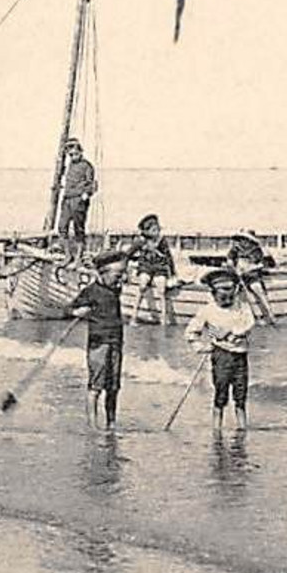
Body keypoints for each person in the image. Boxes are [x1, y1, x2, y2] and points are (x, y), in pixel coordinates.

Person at [185, 267, 256, 433]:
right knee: (221, 392)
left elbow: (250, 323)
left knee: (240, 394)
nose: (227, 296)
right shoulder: (208, 310)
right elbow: (191, 331)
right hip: (221, 355)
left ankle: (242, 427)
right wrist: (201, 347)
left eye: (230, 291)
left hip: (240, 355)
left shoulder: (242, 307)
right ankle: (216, 429)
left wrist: (233, 332)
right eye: (222, 293)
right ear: (213, 292)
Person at [68, 250, 128, 431]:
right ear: (103, 273)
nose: (120, 280)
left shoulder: (115, 289)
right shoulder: (91, 292)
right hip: (98, 344)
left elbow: (125, 261)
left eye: (121, 276)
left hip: (116, 342)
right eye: (117, 276)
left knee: (113, 387)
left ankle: (111, 424)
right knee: (96, 386)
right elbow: (69, 308)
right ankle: (93, 425)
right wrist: (78, 311)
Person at [125, 213, 177, 324]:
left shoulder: (162, 240)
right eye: (153, 230)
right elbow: (128, 253)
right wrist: (124, 267)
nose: (156, 232)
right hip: (146, 266)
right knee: (142, 285)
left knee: (161, 289)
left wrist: (172, 273)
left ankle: (163, 319)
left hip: (159, 267)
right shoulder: (141, 241)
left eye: (157, 229)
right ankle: (133, 316)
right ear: (147, 231)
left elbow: (168, 257)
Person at [56, 138, 97, 264]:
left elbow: (92, 184)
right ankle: (68, 255)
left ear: (80, 152)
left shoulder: (87, 166)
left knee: (79, 229)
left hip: (78, 200)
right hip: (67, 199)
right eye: (70, 154)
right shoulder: (69, 165)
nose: (73, 156)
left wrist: (86, 195)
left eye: (75, 153)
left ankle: (78, 258)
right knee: (62, 227)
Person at [227, 230, 277, 325]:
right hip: (238, 277)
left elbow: (261, 264)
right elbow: (229, 261)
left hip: (252, 276)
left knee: (257, 289)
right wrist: (234, 268)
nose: (242, 241)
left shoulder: (256, 250)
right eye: (241, 239)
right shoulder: (235, 250)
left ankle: (269, 314)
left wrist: (249, 268)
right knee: (236, 293)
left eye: (244, 239)